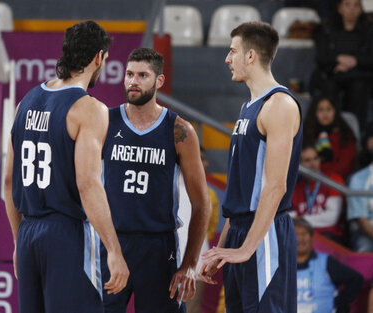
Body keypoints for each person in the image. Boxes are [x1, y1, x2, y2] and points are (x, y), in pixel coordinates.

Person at [4, 21, 129, 313]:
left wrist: (17, 240)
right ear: (98, 58)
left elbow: (9, 180)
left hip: (27, 234)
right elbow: (88, 185)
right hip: (66, 234)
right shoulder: (90, 109)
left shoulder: (26, 101)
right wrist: (113, 250)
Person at [198, 22, 302, 313]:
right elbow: (240, 190)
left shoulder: (279, 104)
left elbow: (276, 186)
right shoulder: (248, 107)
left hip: (265, 232)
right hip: (242, 229)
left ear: (251, 56)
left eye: (233, 51)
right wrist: (226, 245)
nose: (227, 59)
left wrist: (246, 248)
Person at [101, 48, 210, 313]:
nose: (133, 81)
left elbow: (202, 203)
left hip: (158, 247)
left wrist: (189, 264)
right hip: (110, 243)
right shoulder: (104, 121)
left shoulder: (180, 130)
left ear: (159, 81)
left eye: (142, 75)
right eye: (129, 74)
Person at [310, 0, 373, 130]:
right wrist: (338, 59)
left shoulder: (368, 31)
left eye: (356, 5)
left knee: (359, 88)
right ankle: (328, 131)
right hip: (333, 74)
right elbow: (321, 58)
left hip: (359, 76)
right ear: (340, 8)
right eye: (347, 5)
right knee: (329, 86)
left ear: (361, 9)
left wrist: (355, 62)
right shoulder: (327, 29)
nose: (352, 9)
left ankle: (355, 133)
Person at [294, 218, 363, 313]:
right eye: (295, 234)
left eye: (303, 234)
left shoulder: (325, 262)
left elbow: (356, 279)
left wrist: (339, 305)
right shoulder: (280, 265)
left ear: (311, 238)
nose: (299, 238)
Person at [181, 147, 220, 313]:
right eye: (200, 157)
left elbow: (209, 229)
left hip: (194, 267)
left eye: (204, 158)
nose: (205, 162)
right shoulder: (165, 186)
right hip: (164, 265)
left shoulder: (209, 193)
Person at [290, 145, 345, 242]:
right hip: (301, 236)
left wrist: (301, 219)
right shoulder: (296, 187)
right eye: (307, 160)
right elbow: (290, 215)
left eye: (315, 158)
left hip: (328, 236)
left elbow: (332, 218)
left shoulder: (333, 180)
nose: (313, 163)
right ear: (300, 164)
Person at [303, 95, 357, 179]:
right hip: (309, 183)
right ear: (314, 113)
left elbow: (345, 167)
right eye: (320, 109)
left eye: (328, 109)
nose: (325, 113)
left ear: (335, 112)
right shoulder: (306, 136)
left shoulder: (345, 136)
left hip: (335, 183)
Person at [347, 124, 373, 252]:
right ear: (369, 144)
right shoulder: (358, 179)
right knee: (364, 247)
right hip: (367, 235)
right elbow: (362, 221)